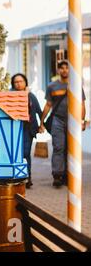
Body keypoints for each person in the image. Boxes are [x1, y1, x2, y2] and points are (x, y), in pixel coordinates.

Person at [39, 60, 87, 188]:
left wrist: (82, 121)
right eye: (62, 68)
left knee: (71, 149)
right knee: (58, 147)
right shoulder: (52, 86)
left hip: (74, 120)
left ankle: (69, 175)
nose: (64, 70)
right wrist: (41, 122)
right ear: (58, 70)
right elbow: (48, 105)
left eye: (67, 68)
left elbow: (81, 104)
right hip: (57, 120)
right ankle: (57, 175)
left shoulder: (76, 86)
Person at [11, 73, 42, 188]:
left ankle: (27, 177)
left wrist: (42, 125)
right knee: (15, 153)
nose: (18, 84)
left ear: (25, 83)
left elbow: (39, 110)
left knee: (25, 153)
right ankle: (18, 176)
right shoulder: (11, 96)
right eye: (16, 82)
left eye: (21, 81)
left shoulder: (31, 96)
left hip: (27, 129)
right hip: (14, 128)